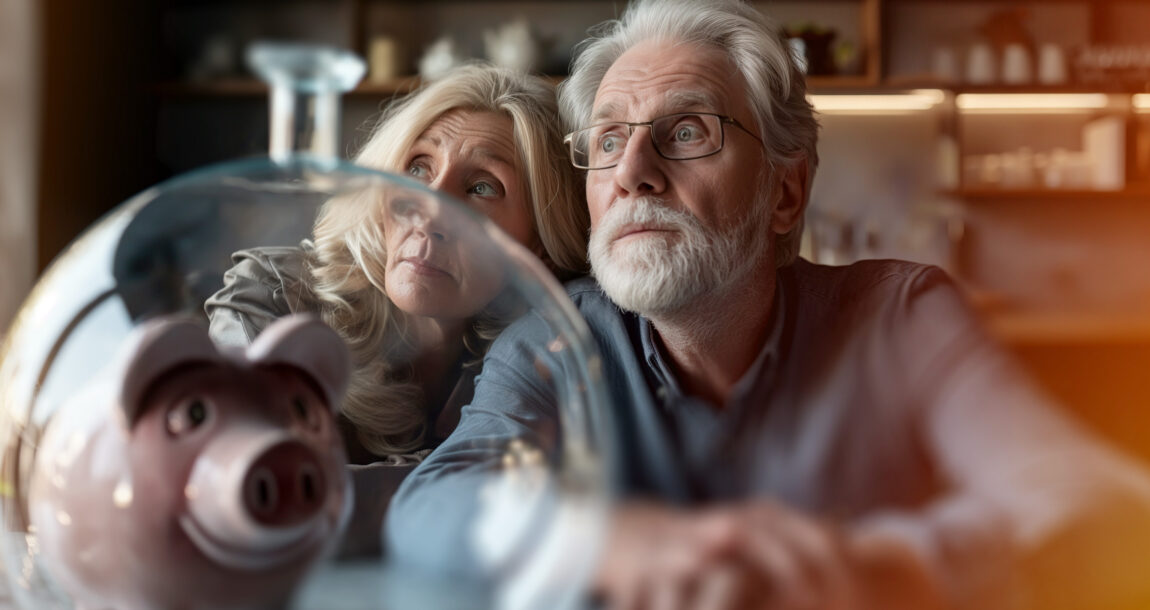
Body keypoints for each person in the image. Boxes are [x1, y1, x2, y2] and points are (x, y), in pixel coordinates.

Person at [387, 1, 1150, 608]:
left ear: (785, 192)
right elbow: (430, 508)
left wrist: (883, 568)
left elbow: (1096, 503)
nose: (633, 173)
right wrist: (617, 544)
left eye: (685, 132)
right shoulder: (552, 339)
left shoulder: (900, 318)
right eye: (609, 140)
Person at [205, 63, 589, 556]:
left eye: (482, 187)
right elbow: (243, 489)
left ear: (536, 245)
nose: (428, 209)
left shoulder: (537, 351)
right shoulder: (271, 294)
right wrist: (451, 491)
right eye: (418, 168)